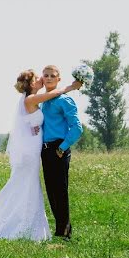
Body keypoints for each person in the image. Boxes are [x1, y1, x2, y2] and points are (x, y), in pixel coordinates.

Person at [0, 70, 81, 240]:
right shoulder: (31, 99)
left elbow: (37, 121)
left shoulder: (35, 100)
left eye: (48, 76)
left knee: (37, 186)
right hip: (33, 150)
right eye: (39, 77)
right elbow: (57, 92)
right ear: (32, 84)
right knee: (31, 185)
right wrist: (72, 86)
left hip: (38, 148)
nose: (43, 79)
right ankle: (24, 223)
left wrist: (36, 128)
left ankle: (41, 226)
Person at [39, 64, 83, 239]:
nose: (48, 78)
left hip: (59, 149)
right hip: (45, 150)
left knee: (60, 191)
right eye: (46, 75)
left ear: (58, 79)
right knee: (51, 191)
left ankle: (64, 234)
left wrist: (62, 148)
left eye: (52, 75)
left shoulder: (65, 100)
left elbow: (77, 128)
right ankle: (60, 231)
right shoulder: (43, 101)